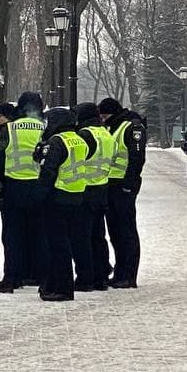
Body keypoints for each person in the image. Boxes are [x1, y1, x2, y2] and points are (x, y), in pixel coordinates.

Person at [0, 92, 48, 294]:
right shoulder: (45, 128)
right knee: (40, 234)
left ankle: (12, 278)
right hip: (38, 187)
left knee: (13, 235)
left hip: (13, 187)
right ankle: (41, 275)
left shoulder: (10, 129)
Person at [35, 107, 94, 301]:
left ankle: (61, 288)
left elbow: (48, 171)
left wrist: (39, 196)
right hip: (77, 195)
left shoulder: (57, 141)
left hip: (58, 197)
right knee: (72, 241)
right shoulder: (80, 139)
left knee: (58, 246)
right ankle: (61, 285)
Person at [99, 97, 146, 289]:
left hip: (123, 186)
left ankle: (129, 274)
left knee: (126, 231)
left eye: (105, 115)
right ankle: (120, 272)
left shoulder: (130, 127)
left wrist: (129, 183)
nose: (102, 119)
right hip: (111, 184)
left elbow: (136, 158)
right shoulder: (112, 127)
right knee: (115, 232)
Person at [76, 102, 115, 290]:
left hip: (85, 190)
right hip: (102, 188)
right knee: (99, 236)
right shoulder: (106, 134)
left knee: (83, 237)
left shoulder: (85, 135)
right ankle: (101, 276)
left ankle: (86, 278)